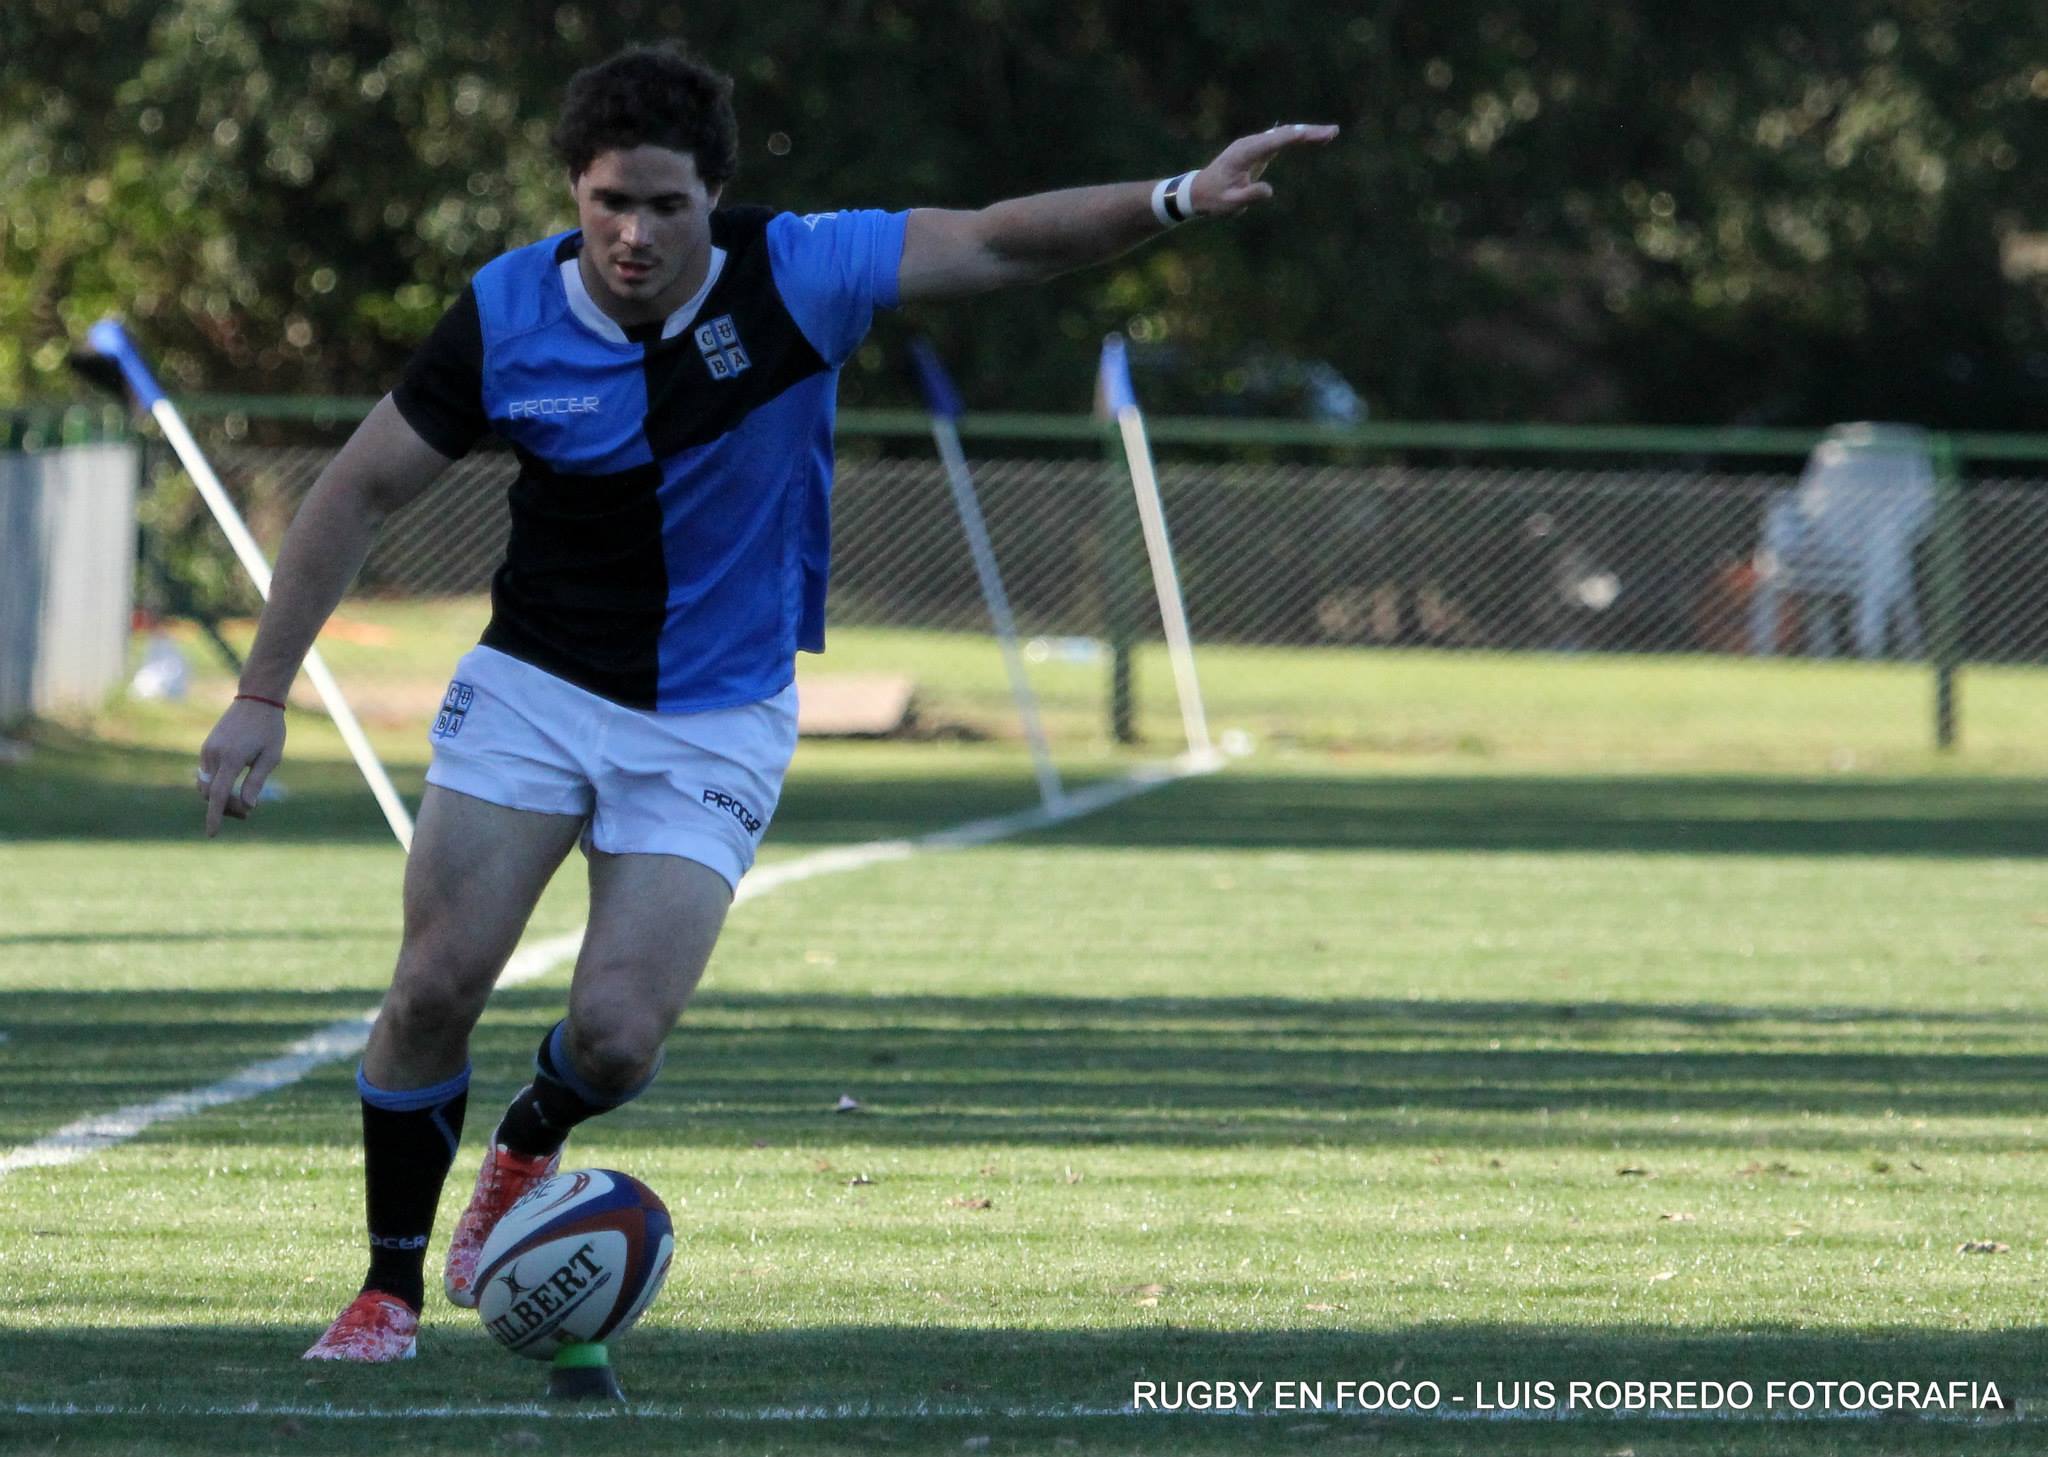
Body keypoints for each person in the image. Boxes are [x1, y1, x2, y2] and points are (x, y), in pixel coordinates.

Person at [195, 43, 1335, 1362]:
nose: (633, 233)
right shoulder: (507, 311)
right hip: (537, 686)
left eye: (666, 207)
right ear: (575, 188)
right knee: (438, 977)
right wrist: (261, 692)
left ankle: (527, 1139)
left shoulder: (799, 273)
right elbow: (355, 491)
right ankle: (387, 1287)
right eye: (609, 201)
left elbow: (999, 243)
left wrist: (1179, 196)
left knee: (618, 1039)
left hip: (715, 714)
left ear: (715, 197)